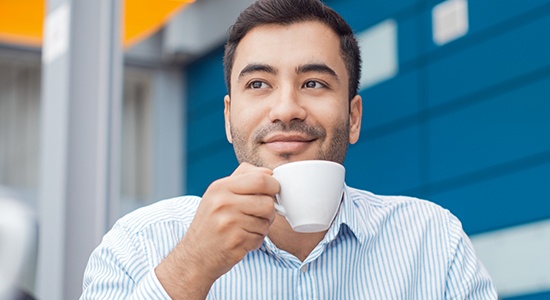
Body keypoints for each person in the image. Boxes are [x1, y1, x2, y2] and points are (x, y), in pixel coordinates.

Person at [81, 0, 497, 298]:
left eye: (314, 83)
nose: (286, 109)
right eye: (258, 84)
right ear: (228, 118)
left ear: (353, 117)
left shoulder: (433, 241)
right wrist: (193, 266)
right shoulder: (139, 244)